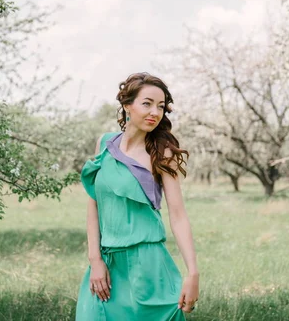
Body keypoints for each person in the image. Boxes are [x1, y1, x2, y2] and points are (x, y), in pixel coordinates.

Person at [75, 72, 199, 320]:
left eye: (161, 106)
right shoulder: (105, 143)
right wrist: (95, 259)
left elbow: (178, 216)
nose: (155, 112)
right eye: (147, 103)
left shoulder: (163, 154)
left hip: (148, 265)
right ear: (127, 105)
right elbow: (94, 204)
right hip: (107, 263)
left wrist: (193, 273)